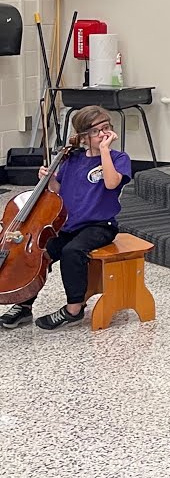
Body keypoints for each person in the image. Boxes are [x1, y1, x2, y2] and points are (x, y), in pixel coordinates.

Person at [0, 107, 131, 330]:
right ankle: (24, 304)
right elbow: (60, 190)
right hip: (69, 223)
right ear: (83, 137)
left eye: (106, 128)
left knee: (73, 252)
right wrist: (49, 180)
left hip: (99, 225)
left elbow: (111, 183)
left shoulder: (118, 158)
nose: (103, 134)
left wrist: (105, 151)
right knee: (40, 255)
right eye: (96, 131)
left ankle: (74, 308)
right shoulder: (72, 160)